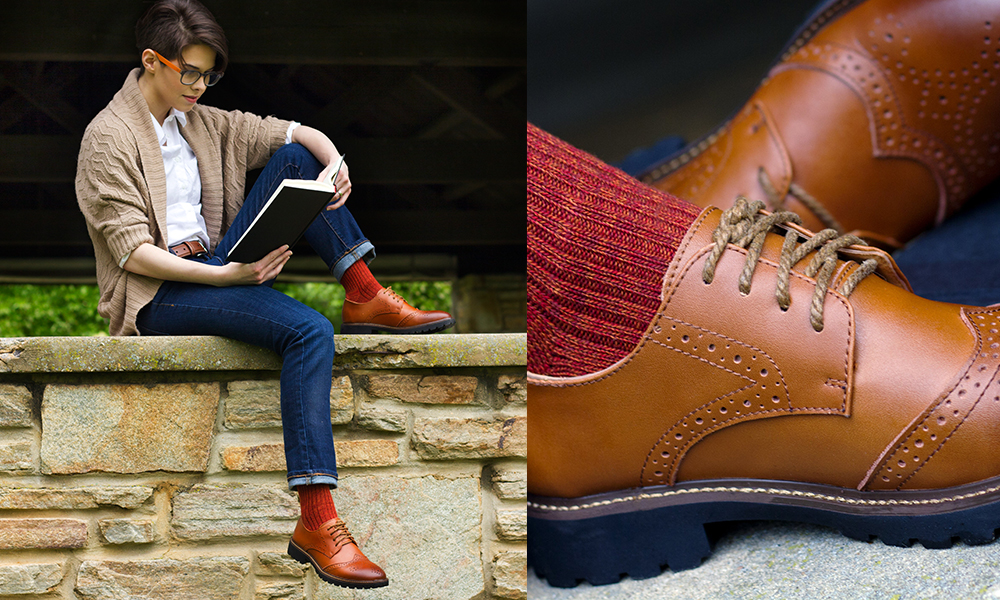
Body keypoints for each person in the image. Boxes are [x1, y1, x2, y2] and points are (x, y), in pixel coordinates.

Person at [75, 0, 453, 589]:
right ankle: (317, 523)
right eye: (191, 73)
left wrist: (336, 162)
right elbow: (131, 253)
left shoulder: (199, 120)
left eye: (210, 76)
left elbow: (288, 133)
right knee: (309, 330)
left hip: (217, 262)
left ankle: (363, 290)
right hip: (161, 297)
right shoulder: (107, 138)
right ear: (152, 61)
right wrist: (228, 278)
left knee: (300, 161)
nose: (201, 86)